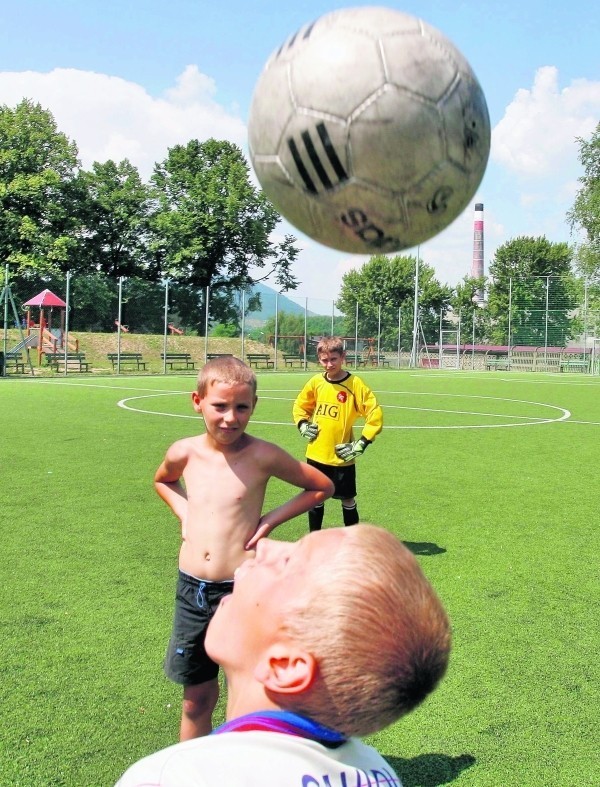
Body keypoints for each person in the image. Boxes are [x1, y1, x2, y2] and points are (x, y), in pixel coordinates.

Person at [115, 524, 451, 786]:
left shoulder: (173, 778)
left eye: (288, 562)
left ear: (285, 666)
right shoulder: (379, 772)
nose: (264, 545)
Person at [154, 356, 334, 741]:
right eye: (220, 406)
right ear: (197, 401)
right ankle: (194, 774)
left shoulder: (263, 455)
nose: (230, 418)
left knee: (249, 699)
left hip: (241, 592)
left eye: (242, 407)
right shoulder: (184, 451)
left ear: (254, 406)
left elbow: (321, 486)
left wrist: (269, 521)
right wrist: (183, 510)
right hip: (192, 592)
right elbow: (163, 481)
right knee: (194, 701)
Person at [292, 336, 383, 531]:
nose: (329, 364)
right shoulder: (316, 382)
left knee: (347, 499)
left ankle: (353, 541)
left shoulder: (355, 384)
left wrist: (362, 443)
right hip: (316, 453)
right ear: (319, 360)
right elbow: (301, 404)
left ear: (343, 357)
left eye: (334, 359)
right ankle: (314, 539)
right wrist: (302, 424)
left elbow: (374, 412)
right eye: (325, 360)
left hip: (342, 455)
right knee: (315, 496)